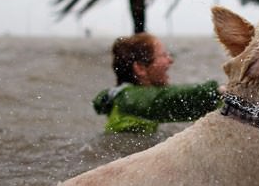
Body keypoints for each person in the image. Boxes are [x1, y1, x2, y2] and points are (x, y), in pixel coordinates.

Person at [92, 33, 222, 134]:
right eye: (163, 55)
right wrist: (216, 92)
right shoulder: (130, 97)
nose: (170, 60)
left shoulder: (124, 95)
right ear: (140, 68)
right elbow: (167, 99)